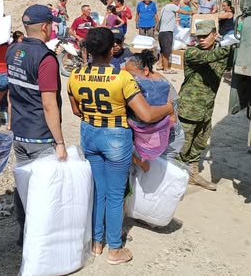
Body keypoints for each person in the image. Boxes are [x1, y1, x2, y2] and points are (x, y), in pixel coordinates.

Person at [67, 28, 173, 265]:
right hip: (115, 136)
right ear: (111, 50)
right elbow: (146, 115)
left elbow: (75, 110)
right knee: (115, 195)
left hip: (89, 134)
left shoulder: (75, 74)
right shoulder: (122, 78)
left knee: (98, 191)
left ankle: (96, 243)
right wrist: (168, 108)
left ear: (88, 50)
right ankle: (114, 248)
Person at [7, 5, 66, 246]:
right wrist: (60, 142)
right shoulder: (46, 59)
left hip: (20, 133)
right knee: (44, 190)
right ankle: (41, 241)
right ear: (45, 27)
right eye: (51, 25)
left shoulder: (13, 50)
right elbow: (49, 104)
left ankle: (25, 234)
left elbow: (12, 92)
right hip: (40, 136)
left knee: (24, 186)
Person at [177, 20, 232, 191]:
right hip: (188, 108)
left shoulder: (222, 54)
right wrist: (232, 46)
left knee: (199, 143)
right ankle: (174, 178)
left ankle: (192, 174)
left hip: (207, 108)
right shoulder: (192, 53)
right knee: (182, 146)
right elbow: (209, 57)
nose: (201, 39)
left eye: (205, 36)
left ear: (215, 34)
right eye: (199, 36)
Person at [125, 52, 184, 161]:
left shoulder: (160, 86)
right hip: (152, 141)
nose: (129, 78)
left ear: (146, 70)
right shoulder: (143, 83)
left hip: (168, 141)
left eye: (132, 75)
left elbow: (155, 117)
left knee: (160, 169)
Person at [157, 0, 191, 74]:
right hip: (167, 32)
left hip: (161, 32)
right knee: (167, 51)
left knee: (162, 50)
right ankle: (166, 69)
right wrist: (192, 13)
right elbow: (183, 12)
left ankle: (160, 65)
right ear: (175, 1)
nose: (178, 4)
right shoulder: (172, 6)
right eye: (178, 3)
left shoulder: (164, 8)